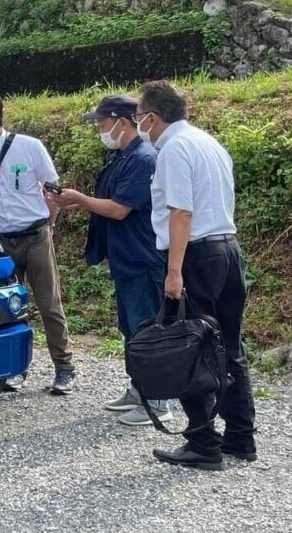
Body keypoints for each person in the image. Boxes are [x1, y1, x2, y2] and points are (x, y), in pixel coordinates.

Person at [135, 80, 257, 470]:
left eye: (139, 116)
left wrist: (174, 271)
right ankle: (241, 436)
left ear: (153, 117)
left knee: (188, 347)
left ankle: (203, 444)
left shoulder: (173, 149)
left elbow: (181, 212)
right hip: (227, 249)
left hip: (194, 255)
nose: (139, 124)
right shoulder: (208, 142)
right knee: (229, 346)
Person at [51, 95, 171, 426]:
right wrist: (74, 201)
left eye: (103, 124)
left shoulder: (143, 159)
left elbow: (119, 209)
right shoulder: (120, 156)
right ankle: (138, 389)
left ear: (122, 122)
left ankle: (157, 400)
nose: (100, 130)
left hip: (142, 258)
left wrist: (80, 199)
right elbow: (107, 201)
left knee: (147, 329)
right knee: (130, 328)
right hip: (124, 257)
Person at [0, 87, 75, 395]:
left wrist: (49, 226)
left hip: (35, 235)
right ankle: (16, 368)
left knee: (49, 304)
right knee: (9, 306)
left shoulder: (29, 147)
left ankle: (64, 368)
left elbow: (53, 190)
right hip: (1, 243)